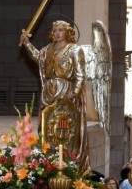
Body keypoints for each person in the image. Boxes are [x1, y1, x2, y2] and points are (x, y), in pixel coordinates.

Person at [19, 19, 88, 163]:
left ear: (67, 32)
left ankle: (67, 160)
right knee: (48, 127)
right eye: (55, 30)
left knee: (65, 127)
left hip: (66, 91)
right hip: (49, 92)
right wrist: (27, 44)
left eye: (61, 30)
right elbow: (39, 58)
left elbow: (81, 74)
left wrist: (74, 93)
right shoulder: (47, 49)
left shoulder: (75, 50)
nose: (57, 33)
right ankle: (48, 159)